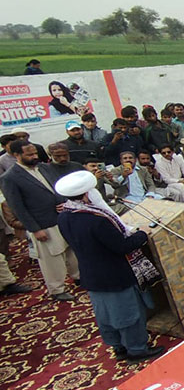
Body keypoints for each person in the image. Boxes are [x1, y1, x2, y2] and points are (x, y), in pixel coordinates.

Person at [53, 171, 164, 362]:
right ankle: (137, 349)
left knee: (105, 314)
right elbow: (122, 247)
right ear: (87, 195)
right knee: (128, 313)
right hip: (114, 274)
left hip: (91, 274)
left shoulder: (64, 216)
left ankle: (118, 347)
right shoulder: (97, 219)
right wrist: (142, 234)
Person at [0, 139, 80, 300]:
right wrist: (34, 229)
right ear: (17, 155)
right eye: (29, 154)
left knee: (72, 251)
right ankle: (57, 289)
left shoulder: (44, 167)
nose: (34, 156)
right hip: (42, 223)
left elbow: (56, 188)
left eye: (35, 153)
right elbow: (17, 207)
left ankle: (79, 277)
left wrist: (64, 204)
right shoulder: (10, 177)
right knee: (51, 258)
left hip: (62, 217)